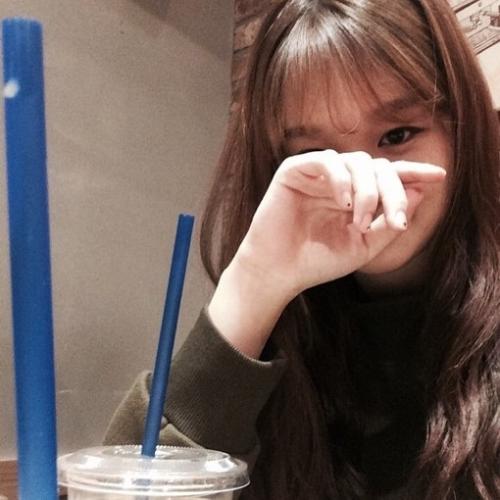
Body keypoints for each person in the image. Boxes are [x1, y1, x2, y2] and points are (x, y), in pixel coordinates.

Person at [104, 1, 500, 498]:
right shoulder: (278, 335)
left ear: (461, 132)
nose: (363, 182)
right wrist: (252, 282)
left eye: (397, 135)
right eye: (315, 155)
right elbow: (125, 489)